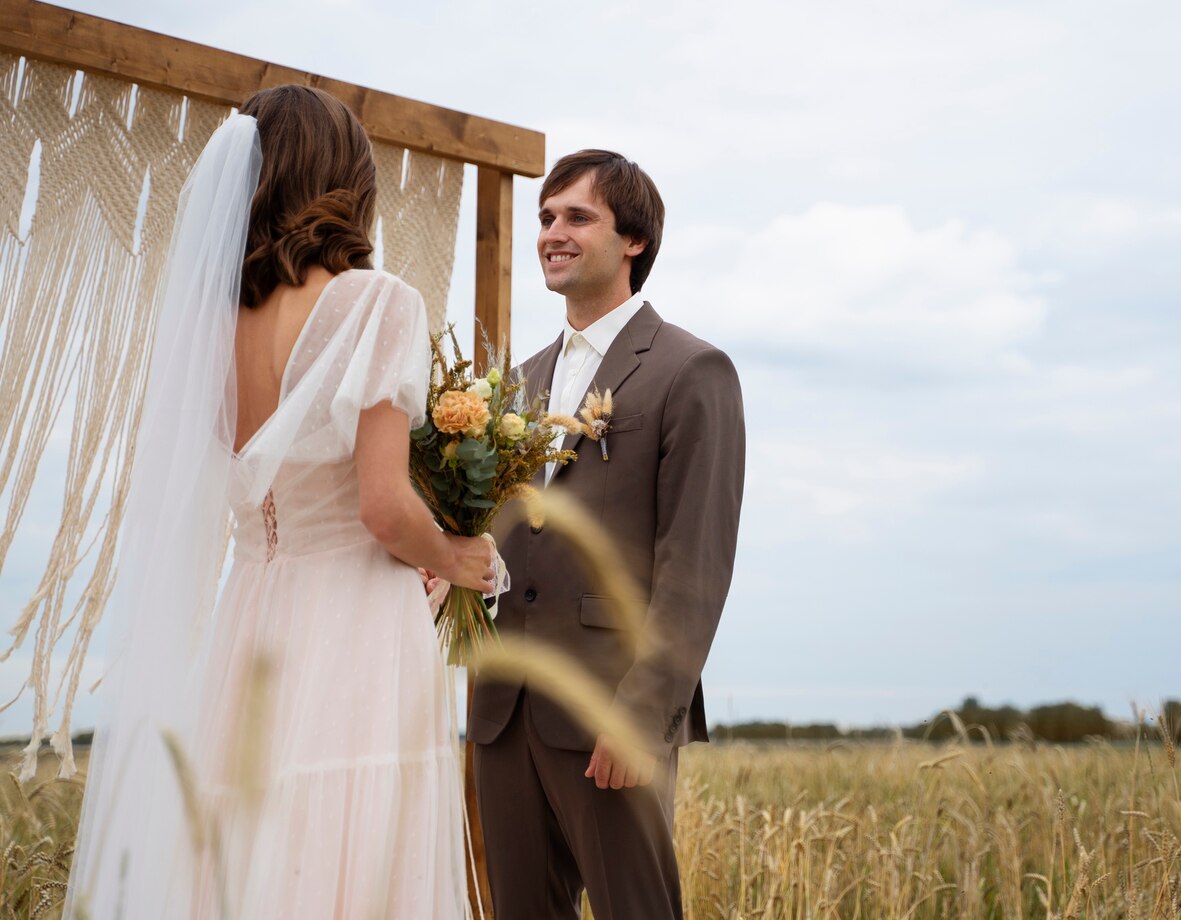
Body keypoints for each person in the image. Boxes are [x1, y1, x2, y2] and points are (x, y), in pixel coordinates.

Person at [62, 85, 496, 920]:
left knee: (252, 840)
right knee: (361, 838)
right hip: (355, 621)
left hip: (253, 618)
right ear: (342, 178)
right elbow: (380, 505)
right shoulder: (376, 303)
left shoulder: (208, 324)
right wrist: (457, 558)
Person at [470, 150, 747, 919]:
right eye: (546, 218)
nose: (553, 233)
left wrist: (642, 713)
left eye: (577, 217)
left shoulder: (693, 371)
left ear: (634, 240)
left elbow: (695, 565)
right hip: (504, 708)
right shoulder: (516, 382)